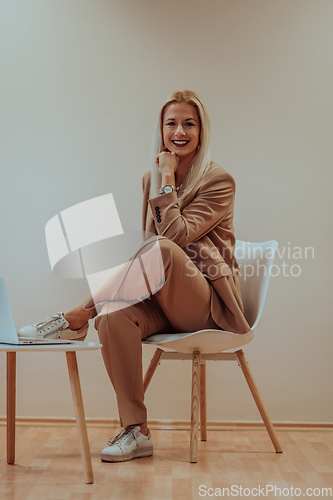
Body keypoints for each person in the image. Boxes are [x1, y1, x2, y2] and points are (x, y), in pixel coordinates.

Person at [18, 90, 250, 463]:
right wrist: (160, 179)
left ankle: (75, 316)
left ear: (202, 131)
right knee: (112, 317)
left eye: (189, 123)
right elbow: (149, 244)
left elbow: (171, 240)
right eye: (171, 123)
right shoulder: (152, 177)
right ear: (160, 129)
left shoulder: (218, 180)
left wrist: (167, 180)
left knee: (162, 250)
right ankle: (136, 430)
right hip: (163, 296)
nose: (179, 131)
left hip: (205, 305)